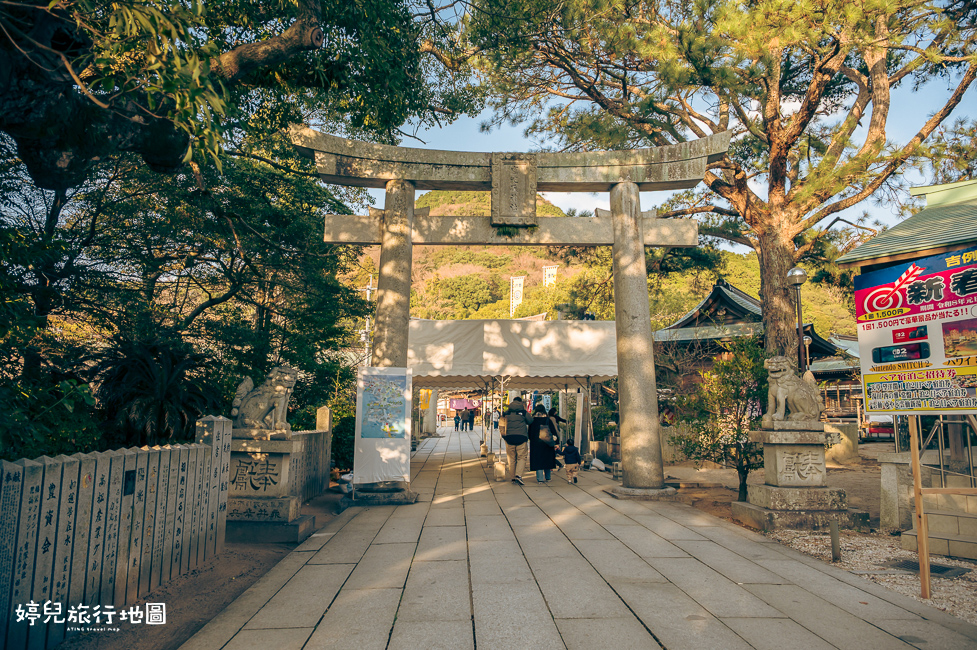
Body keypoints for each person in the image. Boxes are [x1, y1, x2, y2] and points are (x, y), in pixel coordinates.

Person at [502, 396, 533, 485]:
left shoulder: (506, 412)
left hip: (509, 437)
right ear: (521, 402)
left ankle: (512, 477)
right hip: (521, 437)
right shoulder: (523, 412)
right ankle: (518, 475)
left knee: (511, 458)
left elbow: (501, 423)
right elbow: (530, 421)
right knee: (521, 457)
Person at [529, 403, 558, 483]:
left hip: (536, 443)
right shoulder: (547, 420)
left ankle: (540, 479)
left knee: (538, 460)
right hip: (547, 442)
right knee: (547, 459)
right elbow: (553, 431)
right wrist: (556, 442)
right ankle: (548, 477)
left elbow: (530, 433)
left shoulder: (533, 420)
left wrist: (532, 440)